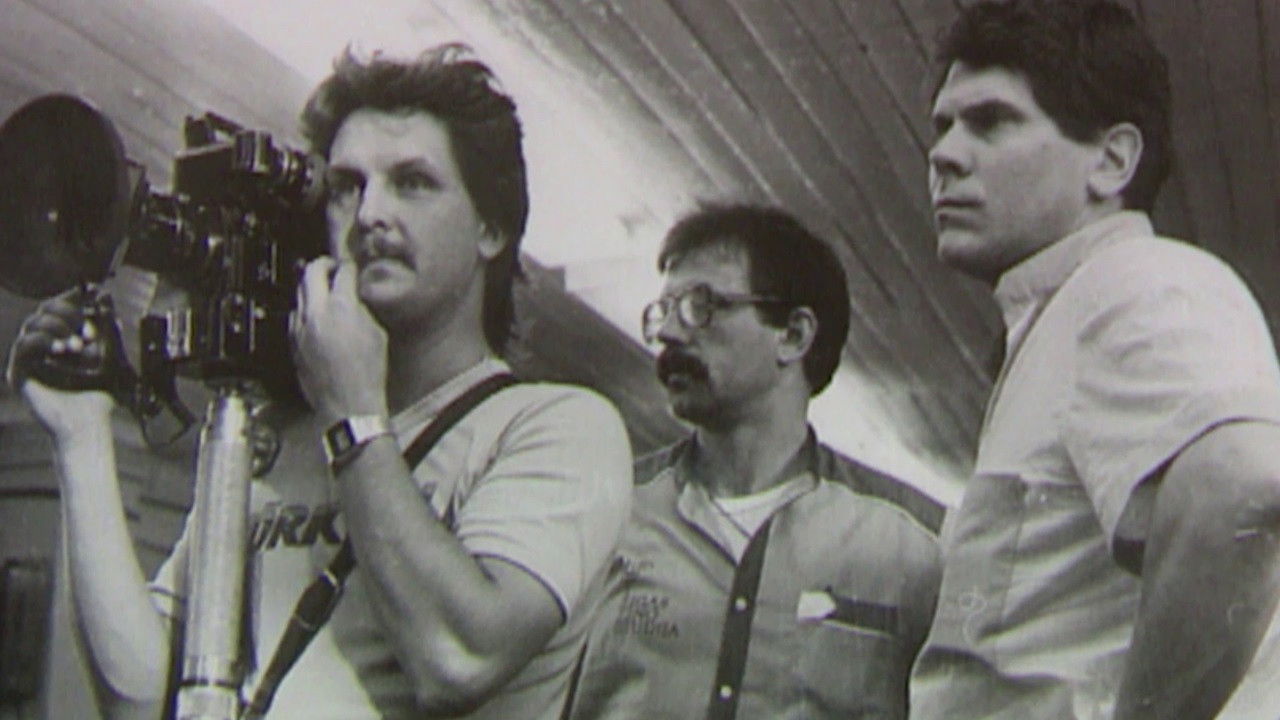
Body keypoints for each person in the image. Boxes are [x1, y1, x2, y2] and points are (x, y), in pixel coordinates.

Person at [9, 44, 633, 719]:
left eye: (413, 182)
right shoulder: (284, 438)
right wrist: (81, 439)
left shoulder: (558, 427)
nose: (370, 214)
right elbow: (141, 696)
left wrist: (354, 411)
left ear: (491, 228)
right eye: (346, 187)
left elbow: (460, 657)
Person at [910, 1, 1280, 718]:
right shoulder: (1061, 318)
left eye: (991, 121)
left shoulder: (1135, 282)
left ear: (1111, 161)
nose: (944, 154)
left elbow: (1242, 488)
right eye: (943, 126)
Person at [564, 204, 944, 719]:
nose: (669, 333)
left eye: (701, 307)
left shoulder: (916, 546)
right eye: (663, 311)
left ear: (793, 335)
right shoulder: (603, 516)